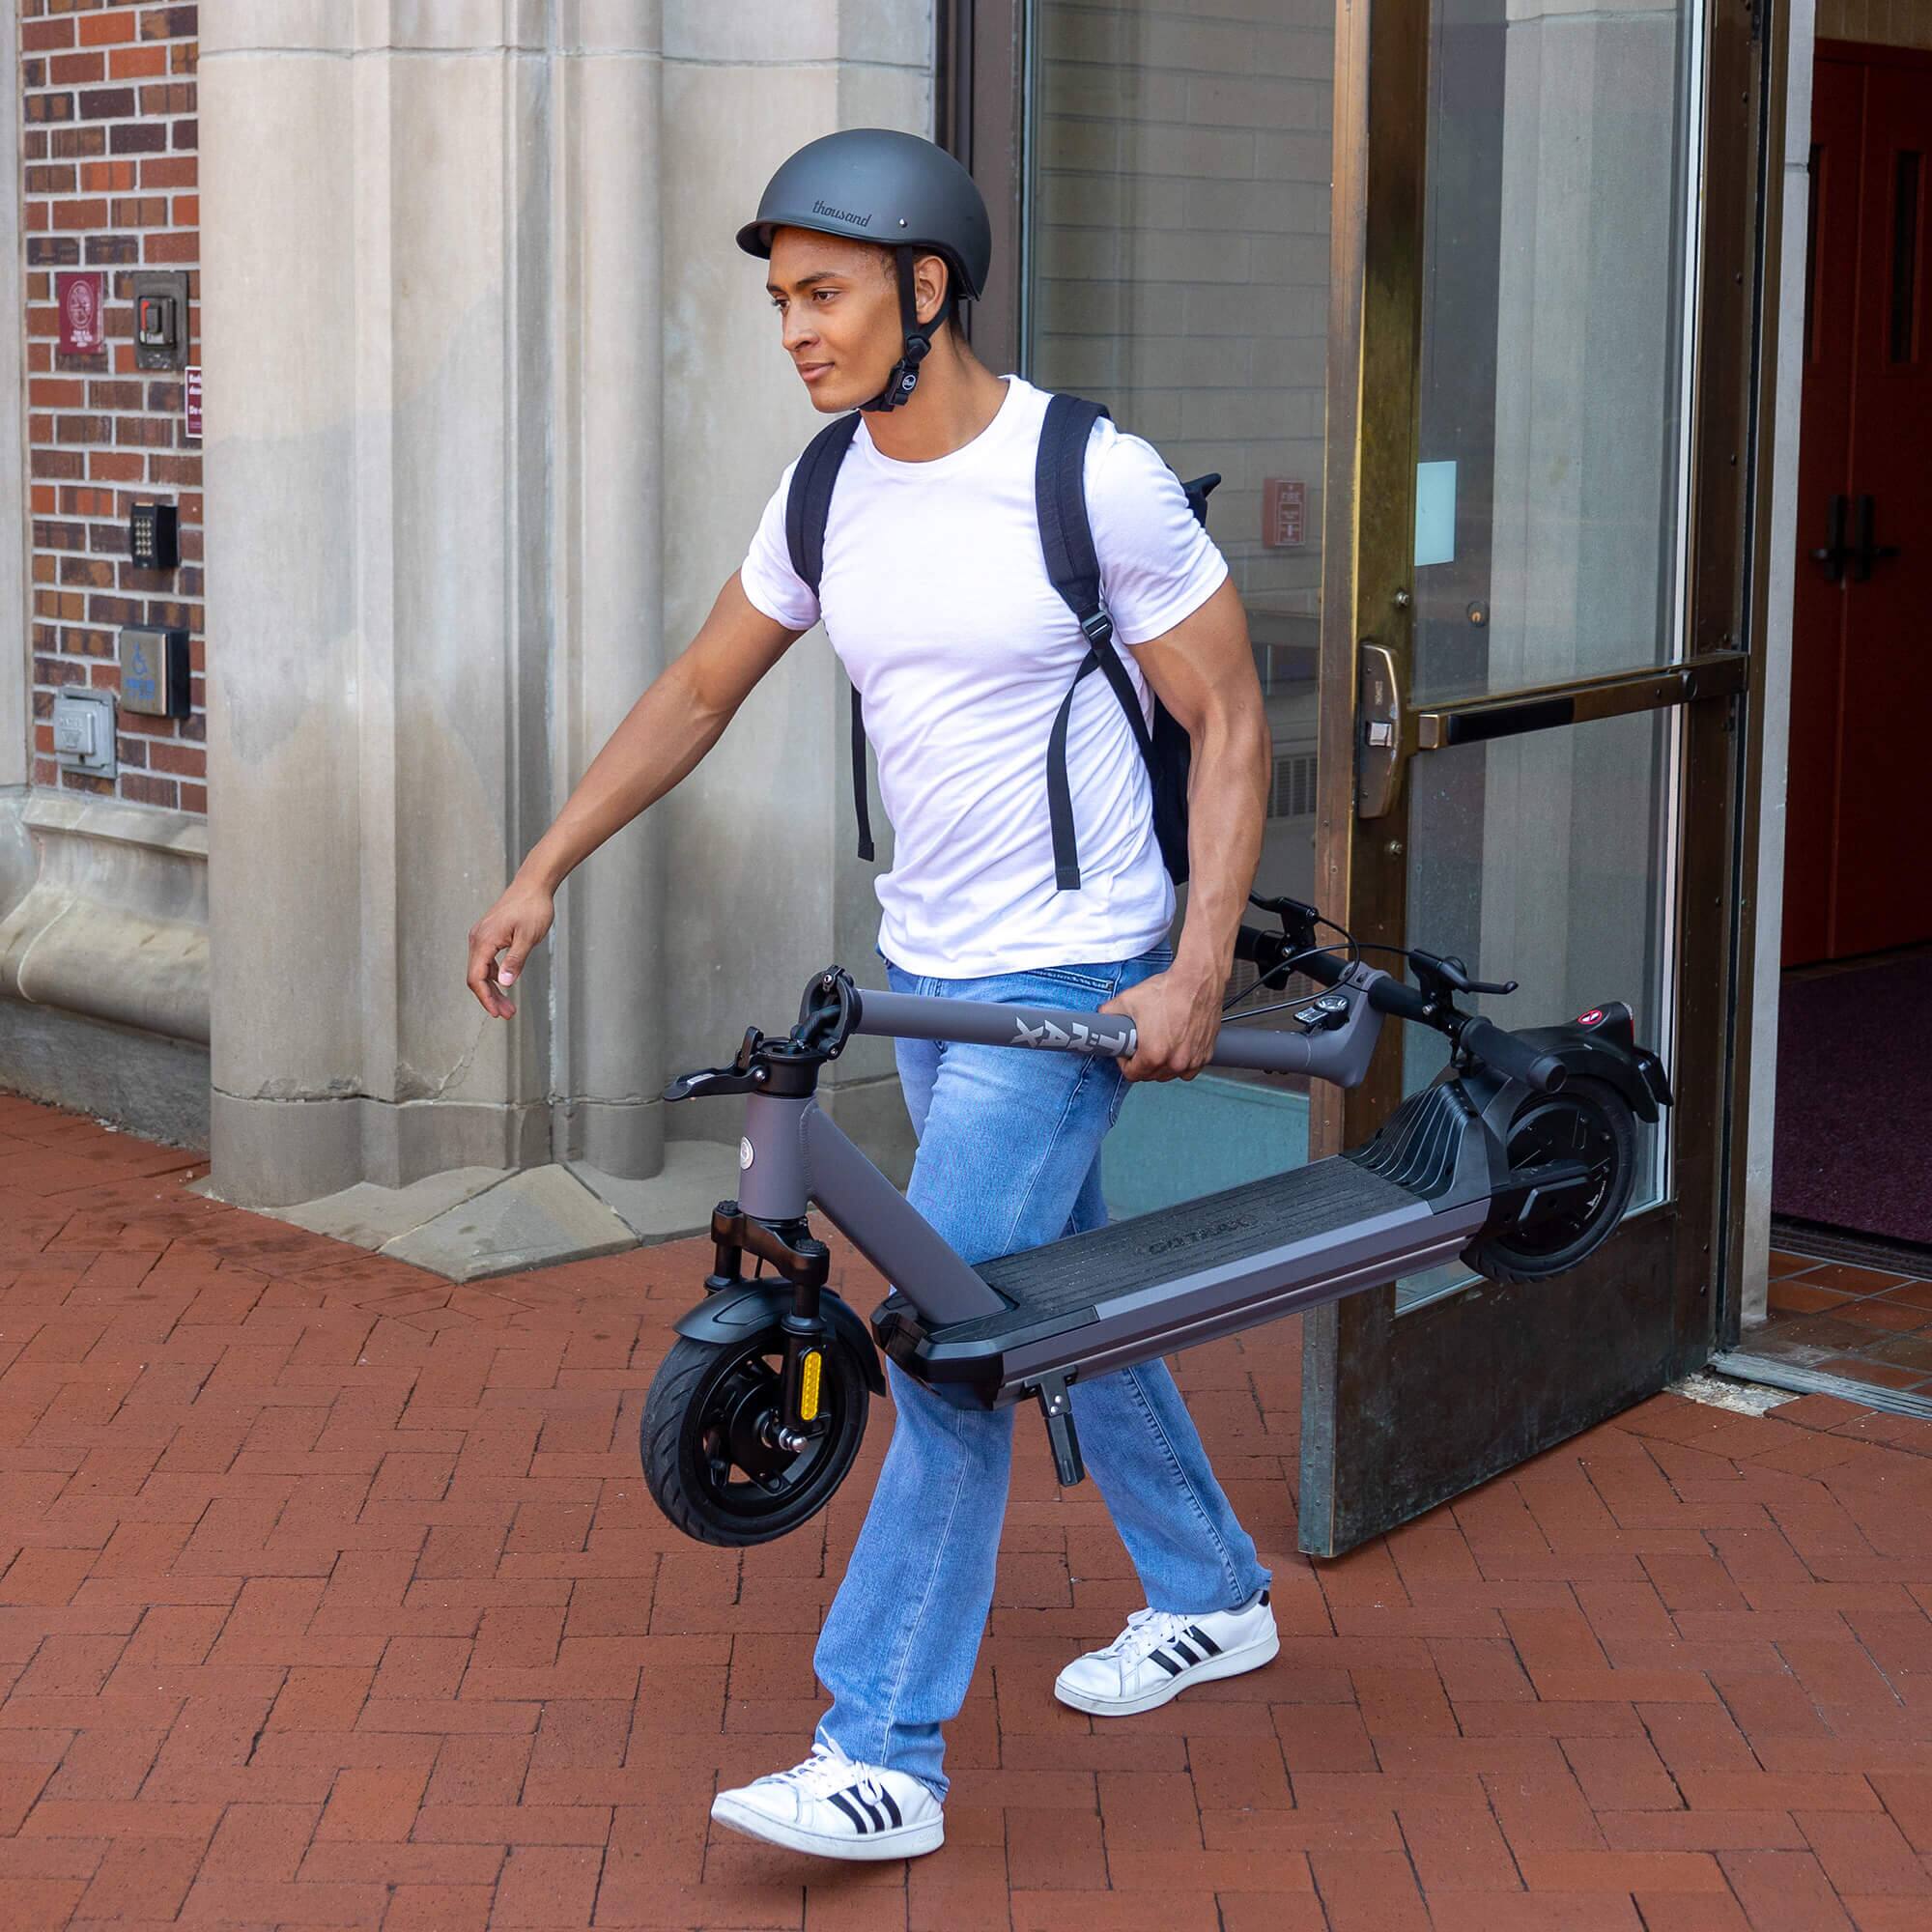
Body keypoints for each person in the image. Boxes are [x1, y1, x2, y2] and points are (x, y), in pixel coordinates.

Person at [466, 128, 1277, 1863]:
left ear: (928, 288)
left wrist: (1194, 962)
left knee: (948, 1341)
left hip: (1064, 981)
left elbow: (1230, 716)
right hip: (927, 975)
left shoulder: (1086, 474)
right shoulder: (828, 489)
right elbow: (699, 688)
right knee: (1041, 1281)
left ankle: (882, 1747)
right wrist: (547, 862)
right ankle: (1213, 1583)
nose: (797, 330)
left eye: (824, 295)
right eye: (780, 300)